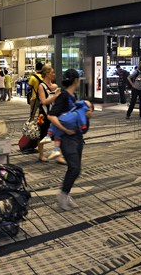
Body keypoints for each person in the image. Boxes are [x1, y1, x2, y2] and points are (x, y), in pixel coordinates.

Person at [48, 68, 89, 211]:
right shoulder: (63, 96)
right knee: (75, 168)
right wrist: (64, 129)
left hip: (77, 136)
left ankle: (65, 194)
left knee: (75, 168)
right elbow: (51, 115)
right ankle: (62, 195)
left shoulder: (73, 95)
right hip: (66, 138)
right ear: (76, 80)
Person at [34, 64, 61, 163]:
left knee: (57, 133)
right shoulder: (41, 86)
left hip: (53, 113)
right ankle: (41, 154)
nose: (53, 74)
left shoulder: (55, 86)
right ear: (46, 74)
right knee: (42, 134)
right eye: (52, 72)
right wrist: (55, 96)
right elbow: (44, 101)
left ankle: (57, 153)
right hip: (43, 114)